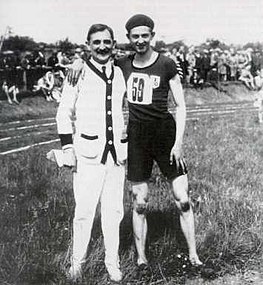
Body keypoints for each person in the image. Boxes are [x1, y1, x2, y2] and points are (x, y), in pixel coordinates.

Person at [67, 14, 202, 270]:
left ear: (152, 35)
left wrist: (178, 143)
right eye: (135, 36)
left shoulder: (167, 64)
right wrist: (77, 61)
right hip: (138, 138)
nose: (140, 40)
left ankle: (194, 255)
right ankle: (141, 259)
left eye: (145, 35)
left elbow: (181, 106)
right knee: (139, 202)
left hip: (165, 135)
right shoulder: (122, 64)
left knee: (182, 198)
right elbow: (97, 58)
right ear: (128, 39)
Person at [56, 23, 127, 282]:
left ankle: (112, 261)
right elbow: (64, 112)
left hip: (116, 156)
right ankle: (78, 263)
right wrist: (68, 147)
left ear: (113, 43)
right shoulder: (78, 73)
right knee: (84, 211)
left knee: (114, 211)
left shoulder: (120, 72)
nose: (102, 47)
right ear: (88, 45)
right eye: (96, 42)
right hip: (87, 155)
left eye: (106, 41)